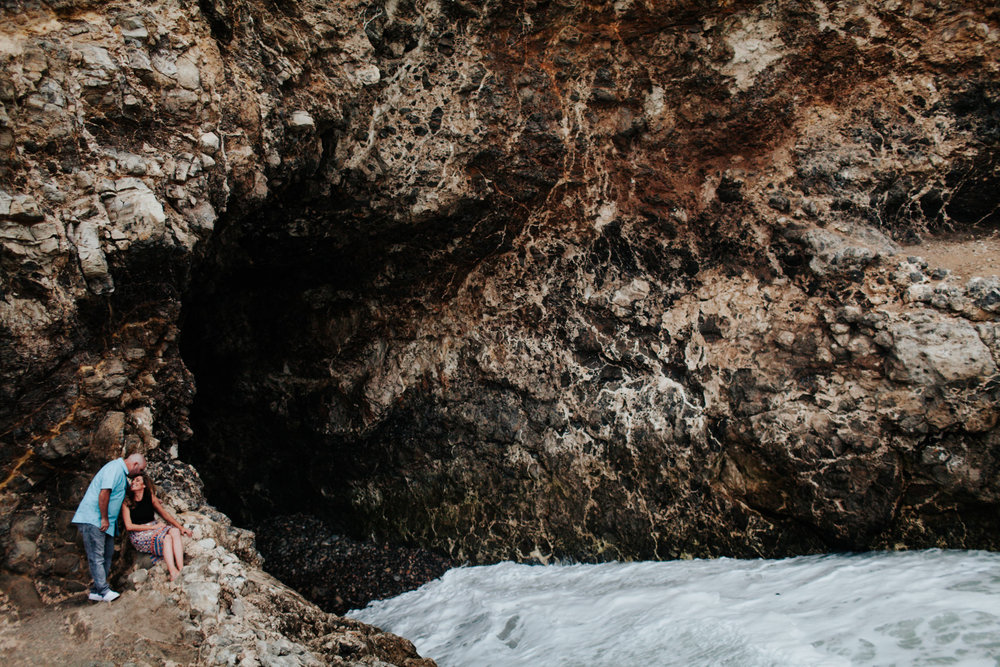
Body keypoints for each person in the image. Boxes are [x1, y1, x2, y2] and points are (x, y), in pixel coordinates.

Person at [72, 453, 147, 602]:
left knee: (107, 554)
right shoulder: (114, 469)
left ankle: (96, 591)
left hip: (106, 524)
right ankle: (104, 591)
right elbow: (104, 494)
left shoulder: (121, 474)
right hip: (95, 520)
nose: (139, 474)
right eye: (140, 471)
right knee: (97, 555)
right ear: (135, 465)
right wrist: (104, 518)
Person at [121, 473, 193, 581]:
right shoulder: (127, 502)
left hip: (154, 528)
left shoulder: (149, 496)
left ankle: (181, 568)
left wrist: (181, 527)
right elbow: (129, 526)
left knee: (174, 531)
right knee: (166, 538)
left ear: (144, 485)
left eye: (137, 481)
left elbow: (164, 514)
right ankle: (173, 572)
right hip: (139, 534)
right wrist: (152, 528)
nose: (133, 483)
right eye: (133, 481)